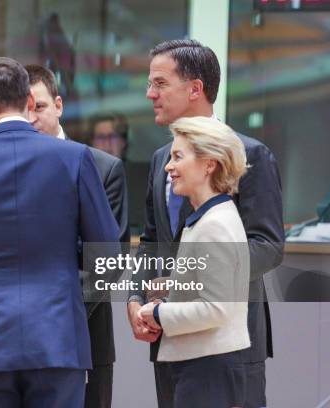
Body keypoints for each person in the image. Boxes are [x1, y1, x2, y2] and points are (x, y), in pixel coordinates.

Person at [0, 57, 120, 408]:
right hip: (58, 338)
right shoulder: (75, 159)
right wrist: (66, 290)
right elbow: (108, 255)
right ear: (29, 102)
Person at [127, 39, 284, 408]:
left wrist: (186, 282)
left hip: (227, 343)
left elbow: (267, 246)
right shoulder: (159, 159)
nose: (151, 94)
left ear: (195, 88)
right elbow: (152, 242)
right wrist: (135, 300)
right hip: (170, 340)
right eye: (150, 84)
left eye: (161, 84)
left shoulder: (249, 155)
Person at [25, 63, 129, 408]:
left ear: (58, 105)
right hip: (14, 342)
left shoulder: (102, 168)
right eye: (23, 109)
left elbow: (108, 261)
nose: (31, 118)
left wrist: (51, 316)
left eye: (38, 107)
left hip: (83, 336)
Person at [138, 116, 251, 407]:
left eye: (178, 156)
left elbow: (216, 307)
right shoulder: (210, 217)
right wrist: (172, 286)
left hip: (207, 369)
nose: (168, 166)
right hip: (204, 365)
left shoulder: (214, 224)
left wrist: (160, 313)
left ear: (208, 164)